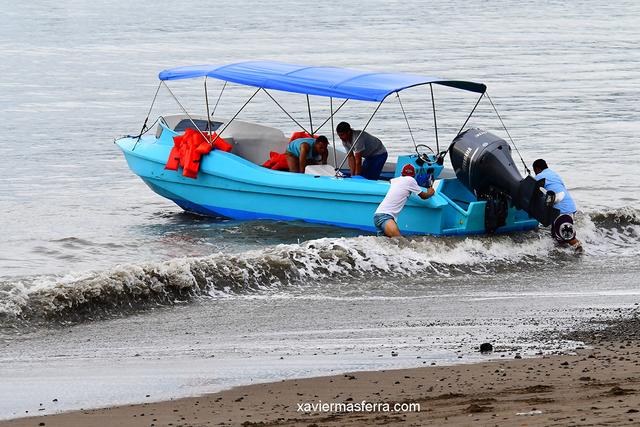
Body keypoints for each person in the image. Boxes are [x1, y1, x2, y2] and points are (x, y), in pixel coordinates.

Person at [533, 159, 582, 251]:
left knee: (568, 236)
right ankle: (561, 258)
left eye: (534, 171)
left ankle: (580, 254)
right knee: (557, 237)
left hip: (561, 209)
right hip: (569, 206)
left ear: (537, 169)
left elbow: (531, 189)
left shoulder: (539, 176)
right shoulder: (555, 175)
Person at [373, 164, 435, 237]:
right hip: (386, 217)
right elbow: (423, 196)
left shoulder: (395, 180)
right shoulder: (411, 180)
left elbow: (391, 181)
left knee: (386, 244)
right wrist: (430, 192)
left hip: (378, 215)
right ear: (414, 175)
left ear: (402, 173)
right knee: (400, 241)